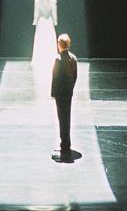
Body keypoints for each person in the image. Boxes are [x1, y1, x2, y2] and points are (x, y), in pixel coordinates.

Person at [51, 34, 78, 163]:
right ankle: (66, 143)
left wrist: (53, 93)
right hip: (68, 92)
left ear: (59, 45)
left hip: (60, 93)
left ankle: (65, 144)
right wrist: (71, 88)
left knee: (62, 118)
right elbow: (75, 76)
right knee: (66, 117)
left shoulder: (58, 59)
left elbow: (55, 78)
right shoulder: (73, 58)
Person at [32, 0, 58, 68]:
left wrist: (35, 21)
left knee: (40, 40)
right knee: (50, 40)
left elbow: (36, 12)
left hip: (41, 21)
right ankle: (51, 59)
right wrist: (55, 21)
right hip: (49, 21)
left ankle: (39, 60)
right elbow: (54, 12)